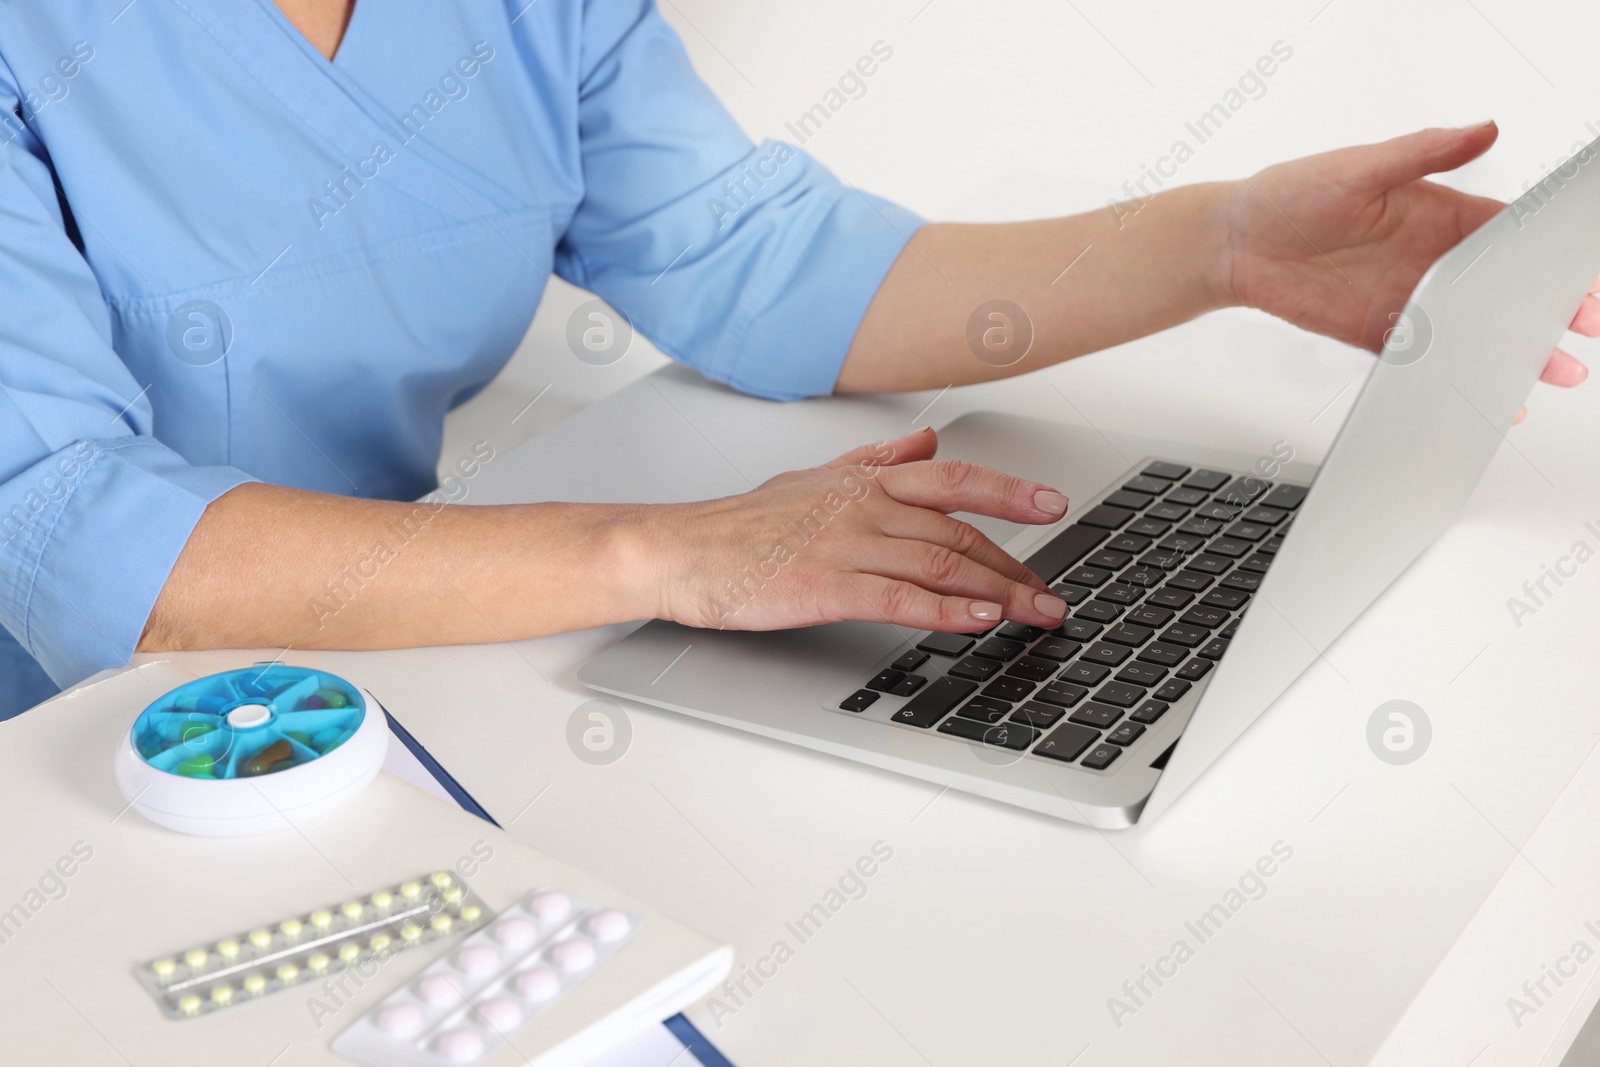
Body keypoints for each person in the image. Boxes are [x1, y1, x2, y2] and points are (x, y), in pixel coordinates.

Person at [0, 0, 1592, 718]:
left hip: (360, 681)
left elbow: (762, 262)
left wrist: (1223, 244)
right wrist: (669, 555)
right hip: (68, 753)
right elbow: (69, 528)